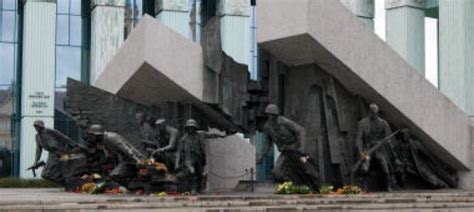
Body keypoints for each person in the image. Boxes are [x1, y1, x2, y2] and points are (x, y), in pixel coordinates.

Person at [257, 104, 320, 191]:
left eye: (272, 115)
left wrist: (302, 148)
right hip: (286, 153)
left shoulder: (284, 122)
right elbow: (267, 143)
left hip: (297, 151)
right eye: (268, 114)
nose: (270, 117)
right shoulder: (268, 127)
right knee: (276, 173)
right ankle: (295, 187)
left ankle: (319, 188)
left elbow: (301, 131)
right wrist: (262, 156)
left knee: (308, 170)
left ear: (276, 115)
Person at [175, 119, 228, 194]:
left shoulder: (200, 134)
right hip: (189, 158)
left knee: (201, 173)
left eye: (192, 127)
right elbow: (179, 151)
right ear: (187, 128)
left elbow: (211, 134)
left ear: (195, 128)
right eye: (189, 128)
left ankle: (200, 188)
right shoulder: (184, 139)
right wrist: (177, 163)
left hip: (199, 157)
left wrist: (220, 135)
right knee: (192, 171)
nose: (191, 129)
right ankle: (193, 188)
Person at [355, 104, 396, 191]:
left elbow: (389, 139)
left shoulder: (383, 123)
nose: (374, 114)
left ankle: (387, 186)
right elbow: (359, 139)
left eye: (375, 113)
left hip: (379, 149)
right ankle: (364, 187)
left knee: (385, 168)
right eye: (372, 112)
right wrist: (360, 152)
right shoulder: (362, 123)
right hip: (367, 149)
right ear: (369, 112)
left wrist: (386, 144)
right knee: (365, 167)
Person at [31, 120, 81, 184]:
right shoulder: (37, 137)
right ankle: (65, 182)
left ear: (41, 126)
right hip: (52, 154)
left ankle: (69, 181)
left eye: (37, 126)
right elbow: (38, 150)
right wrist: (36, 161)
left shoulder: (50, 131)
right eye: (35, 126)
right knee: (45, 174)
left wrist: (74, 144)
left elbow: (63, 137)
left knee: (65, 169)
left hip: (61, 151)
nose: (35, 128)